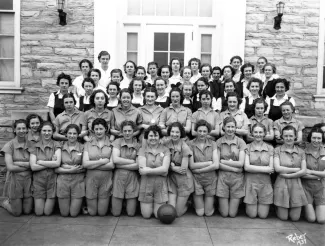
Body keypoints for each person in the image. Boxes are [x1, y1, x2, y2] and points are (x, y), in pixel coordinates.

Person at [274, 125, 308, 221]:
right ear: (282, 136)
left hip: (296, 184)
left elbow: (304, 170)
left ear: (295, 136)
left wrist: (288, 175)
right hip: (281, 184)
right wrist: (297, 170)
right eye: (286, 136)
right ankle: (277, 207)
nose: (288, 138)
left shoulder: (301, 152)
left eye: (291, 136)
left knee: (295, 218)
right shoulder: (277, 150)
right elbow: (277, 168)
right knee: (283, 218)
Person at [0, 120, 33, 216]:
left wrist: (17, 163)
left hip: (28, 180)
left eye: (24, 128)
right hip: (14, 180)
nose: (21, 130)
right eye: (19, 128)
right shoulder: (9, 145)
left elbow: (34, 163)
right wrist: (28, 166)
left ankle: (17, 202)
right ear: (14, 130)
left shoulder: (31, 144)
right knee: (17, 212)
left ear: (27, 130)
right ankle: (4, 202)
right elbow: (10, 167)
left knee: (27, 211)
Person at [137, 125, 171, 218]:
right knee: (146, 216)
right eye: (151, 136)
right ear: (147, 137)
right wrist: (160, 171)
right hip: (146, 185)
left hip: (160, 186)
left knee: (158, 215)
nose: (153, 138)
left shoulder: (166, 150)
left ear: (159, 137)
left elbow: (165, 169)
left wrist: (149, 170)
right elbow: (142, 171)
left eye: (155, 136)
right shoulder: (142, 150)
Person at [82, 118, 114, 216]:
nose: (98, 131)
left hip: (106, 180)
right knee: (92, 213)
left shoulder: (112, 143)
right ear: (93, 130)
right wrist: (103, 161)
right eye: (96, 129)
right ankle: (85, 207)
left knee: (102, 213)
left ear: (106, 129)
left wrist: (93, 164)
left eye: (101, 129)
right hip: (91, 180)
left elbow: (112, 165)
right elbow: (85, 164)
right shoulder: (87, 144)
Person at [216, 116, 246, 217]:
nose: (230, 129)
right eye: (228, 126)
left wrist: (223, 161)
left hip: (237, 179)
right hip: (222, 177)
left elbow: (241, 163)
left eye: (232, 127)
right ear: (223, 127)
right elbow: (217, 164)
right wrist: (234, 168)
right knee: (224, 214)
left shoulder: (240, 142)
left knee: (232, 214)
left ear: (236, 128)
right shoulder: (219, 142)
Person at [29, 121, 61, 216]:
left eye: (49, 131)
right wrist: (50, 163)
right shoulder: (34, 146)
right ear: (40, 131)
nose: (46, 133)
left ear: (52, 132)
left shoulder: (56, 144)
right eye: (44, 130)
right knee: (39, 213)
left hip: (52, 181)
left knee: (47, 212)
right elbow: (33, 167)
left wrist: (41, 162)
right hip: (38, 181)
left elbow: (57, 163)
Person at [188, 120, 219, 216]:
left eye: (204, 131)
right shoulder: (190, 144)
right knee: (200, 213)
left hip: (210, 179)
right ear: (196, 131)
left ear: (208, 132)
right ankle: (193, 202)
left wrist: (199, 170)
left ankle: (210, 203)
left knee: (208, 213)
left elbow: (216, 165)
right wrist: (209, 163)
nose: (202, 133)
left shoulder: (213, 143)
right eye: (200, 131)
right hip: (196, 180)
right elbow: (192, 165)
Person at [244, 123, 274, 219]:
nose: (258, 134)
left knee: (263, 215)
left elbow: (271, 169)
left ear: (264, 133)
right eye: (255, 132)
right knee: (252, 215)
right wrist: (266, 169)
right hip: (250, 182)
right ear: (252, 133)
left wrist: (253, 168)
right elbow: (246, 167)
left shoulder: (270, 148)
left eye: (260, 132)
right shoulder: (247, 147)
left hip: (265, 183)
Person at [55, 124, 85, 217]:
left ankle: (82, 206)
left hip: (78, 181)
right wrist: (71, 169)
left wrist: (64, 167)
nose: (72, 136)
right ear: (66, 134)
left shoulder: (83, 147)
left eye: (74, 133)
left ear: (78, 135)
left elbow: (84, 166)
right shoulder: (59, 147)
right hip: (63, 181)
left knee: (73, 214)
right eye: (70, 133)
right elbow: (55, 168)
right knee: (64, 214)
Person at [111, 120, 140, 217]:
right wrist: (132, 161)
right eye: (125, 131)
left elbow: (138, 165)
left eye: (129, 131)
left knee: (131, 213)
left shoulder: (138, 144)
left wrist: (120, 164)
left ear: (134, 131)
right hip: (119, 177)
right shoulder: (117, 142)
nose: (127, 133)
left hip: (132, 178)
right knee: (116, 213)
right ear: (121, 131)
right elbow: (115, 159)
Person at [165, 122, 194, 217]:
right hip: (171, 180)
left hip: (184, 181)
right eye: (172, 132)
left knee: (177, 214)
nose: (174, 134)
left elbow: (183, 169)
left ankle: (189, 202)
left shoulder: (185, 147)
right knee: (171, 210)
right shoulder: (165, 144)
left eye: (177, 132)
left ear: (181, 133)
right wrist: (172, 168)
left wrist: (171, 167)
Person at [302, 128, 325, 224]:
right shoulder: (303, 152)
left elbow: (306, 172)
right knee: (311, 219)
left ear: (322, 139)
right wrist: (320, 175)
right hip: (305, 187)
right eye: (314, 138)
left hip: (321, 187)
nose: (316, 140)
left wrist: (310, 171)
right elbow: (302, 174)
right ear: (310, 138)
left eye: (319, 138)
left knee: (321, 220)